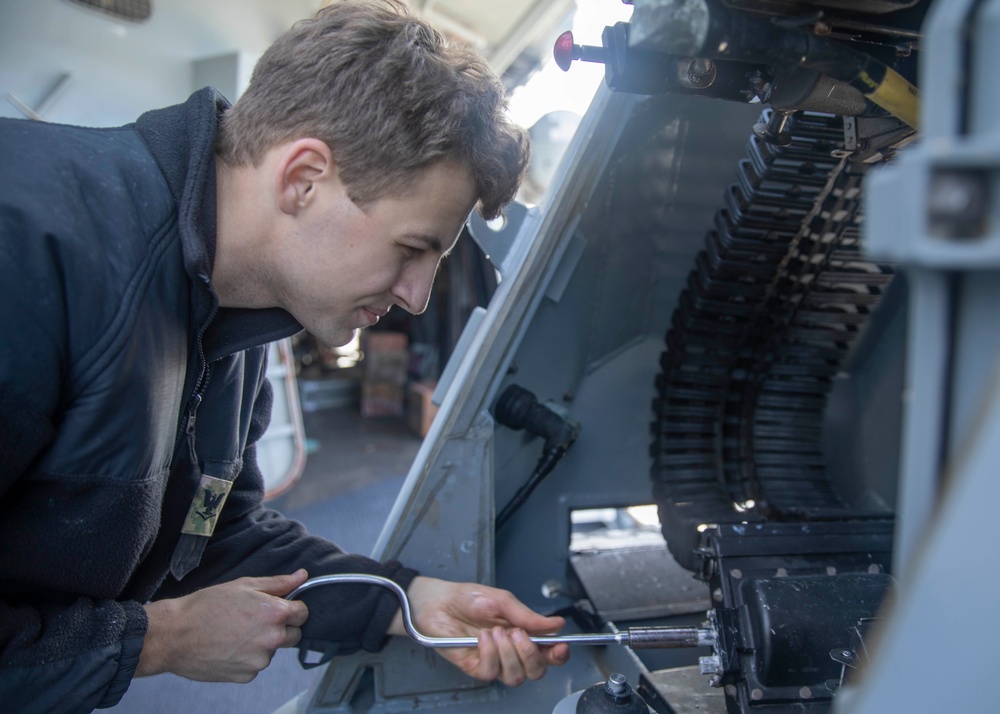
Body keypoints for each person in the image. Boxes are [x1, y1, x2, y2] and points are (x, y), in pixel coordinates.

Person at [0, 1, 569, 711]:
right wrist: (154, 641)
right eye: (413, 248)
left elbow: (209, 536)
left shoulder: (234, 318)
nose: (419, 297)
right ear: (303, 177)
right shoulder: (25, 247)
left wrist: (406, 601)